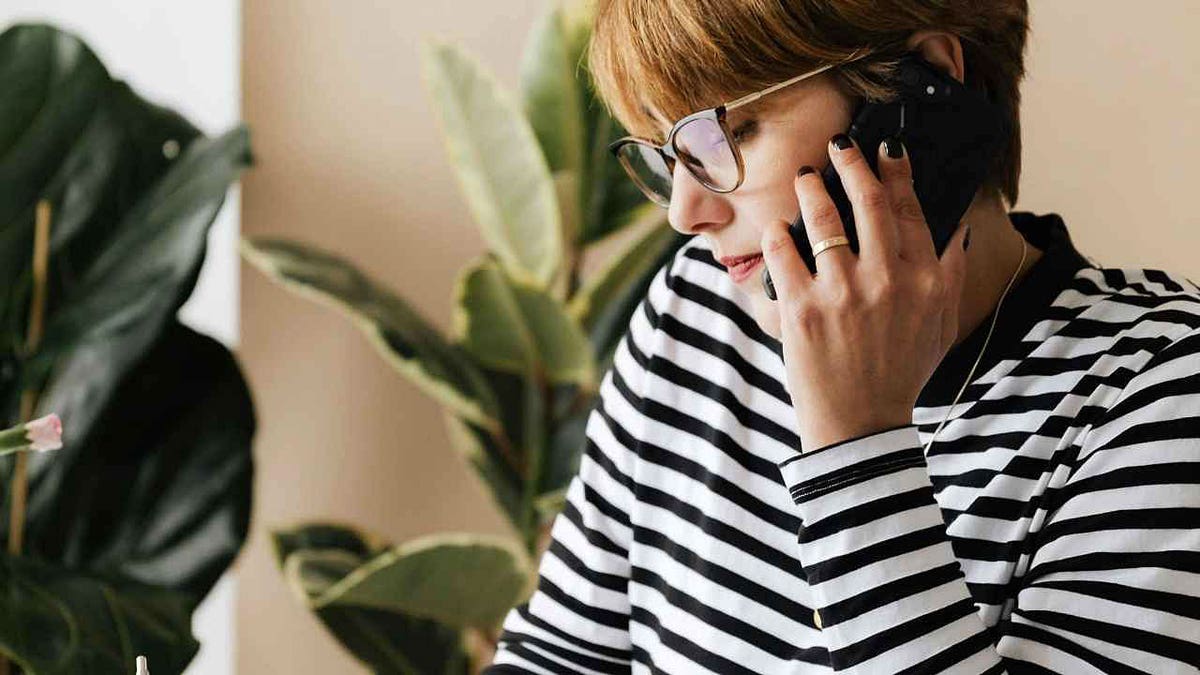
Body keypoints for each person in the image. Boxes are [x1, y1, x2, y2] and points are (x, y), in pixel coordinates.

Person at [487, 0, 1200, 672]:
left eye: (728, 133)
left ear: (917, 91)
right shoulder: (697, 309)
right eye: (667, 149)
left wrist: (857, 439)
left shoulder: (1161, 390)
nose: (685, 210)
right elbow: (556, 655)